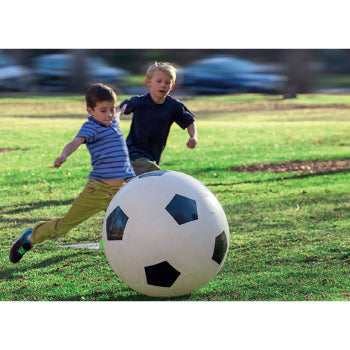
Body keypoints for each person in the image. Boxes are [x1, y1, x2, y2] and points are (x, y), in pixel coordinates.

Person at [9, 83, 135, 264]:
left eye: (110, 109)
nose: (108, 114)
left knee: (128, 225)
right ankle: (30, 239)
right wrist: (63, 155)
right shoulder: (91, 127)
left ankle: (118, 253)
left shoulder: (112, 120)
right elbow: (75, 142)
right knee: (64, 226)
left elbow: (115, 114)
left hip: (119, 192)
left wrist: (120, 111)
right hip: (97, 191)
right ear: (90, 111)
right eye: (102, 110)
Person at [119, 61, 198, 176]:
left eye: (167, 82)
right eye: (159, 81)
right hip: (133, 154)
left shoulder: (174, 106)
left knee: (141, 183)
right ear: (148, 82)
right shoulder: (139, 102)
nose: (163, 85)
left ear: (172, 86)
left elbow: (189, 121)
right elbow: (119, 109)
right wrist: (114, 118)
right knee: (156, 176)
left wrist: (193, 136)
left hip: (153, 156)